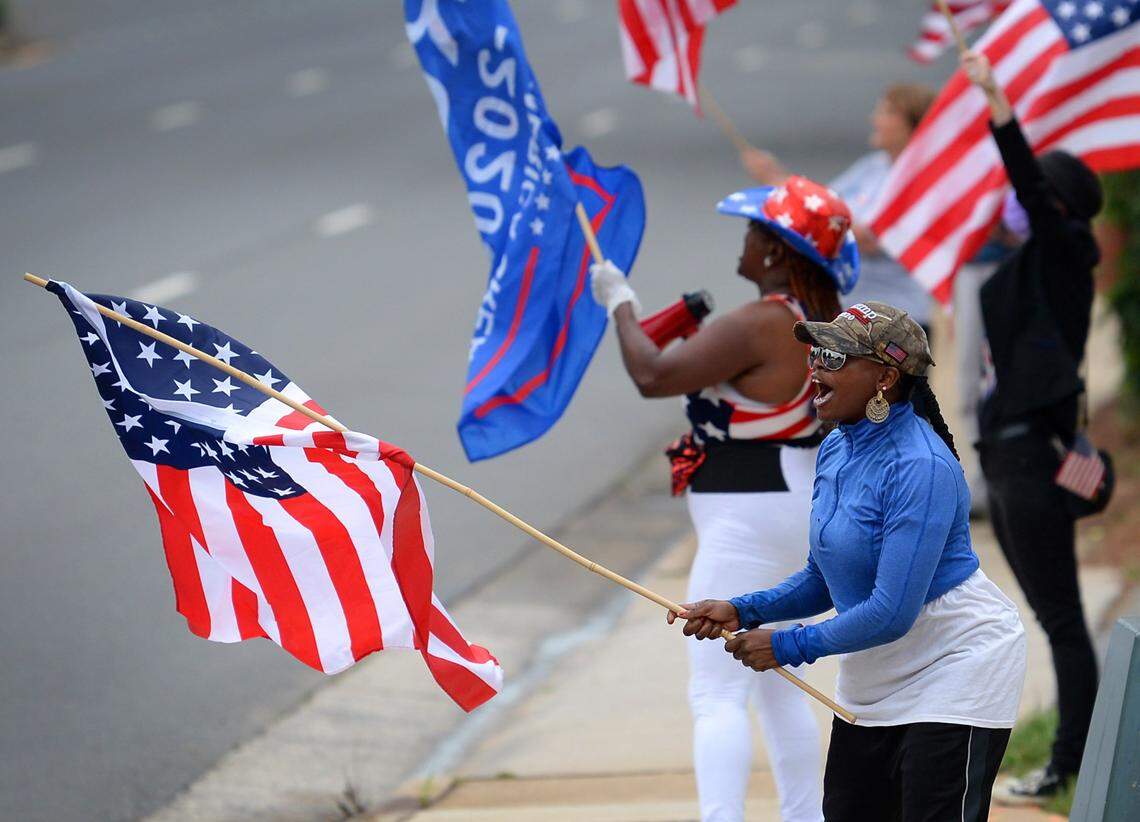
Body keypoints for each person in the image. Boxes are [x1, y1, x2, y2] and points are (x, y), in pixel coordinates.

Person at [671, 301, 1027, 821]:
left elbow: (890, 611)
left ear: (885, 376)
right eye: (816, 353)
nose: (815, 366)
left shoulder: (921, 467)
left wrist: (789, 643)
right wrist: (742, 609)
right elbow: (824, 578)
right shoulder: (836, 448)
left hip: (956, 667)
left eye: (835, 358)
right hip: (876, 673)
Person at [589, 176, 859, 822]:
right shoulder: (811, 319)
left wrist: (619, 304)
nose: (741, 240)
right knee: (778, 687)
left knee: (715, 692)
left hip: (749, 518)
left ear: (775, 251)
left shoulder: (763, 322)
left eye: (751, 231)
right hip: (791, 505)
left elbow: (653, 373)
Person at [962, 49, 1106, 799]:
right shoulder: (1030, 269)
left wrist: (999, 107)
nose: (1017, 202)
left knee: (1061, 619)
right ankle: (1074, 757)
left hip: (1030, 459)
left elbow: (1032, 193)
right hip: (1007, 457)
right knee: (1053, 617)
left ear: (1053, 204)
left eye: (1033, 194)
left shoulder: (1063, 255)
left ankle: (1073, 764)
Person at [741, 83, 937, 335]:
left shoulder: (921, 181)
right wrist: (777, 178)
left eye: (886, 113)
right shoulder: (874, 166)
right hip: (849, 314)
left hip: (894, 321)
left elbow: (868, 239)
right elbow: (823, 201)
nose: (874, 119)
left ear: (912, 124)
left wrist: (780, 184)